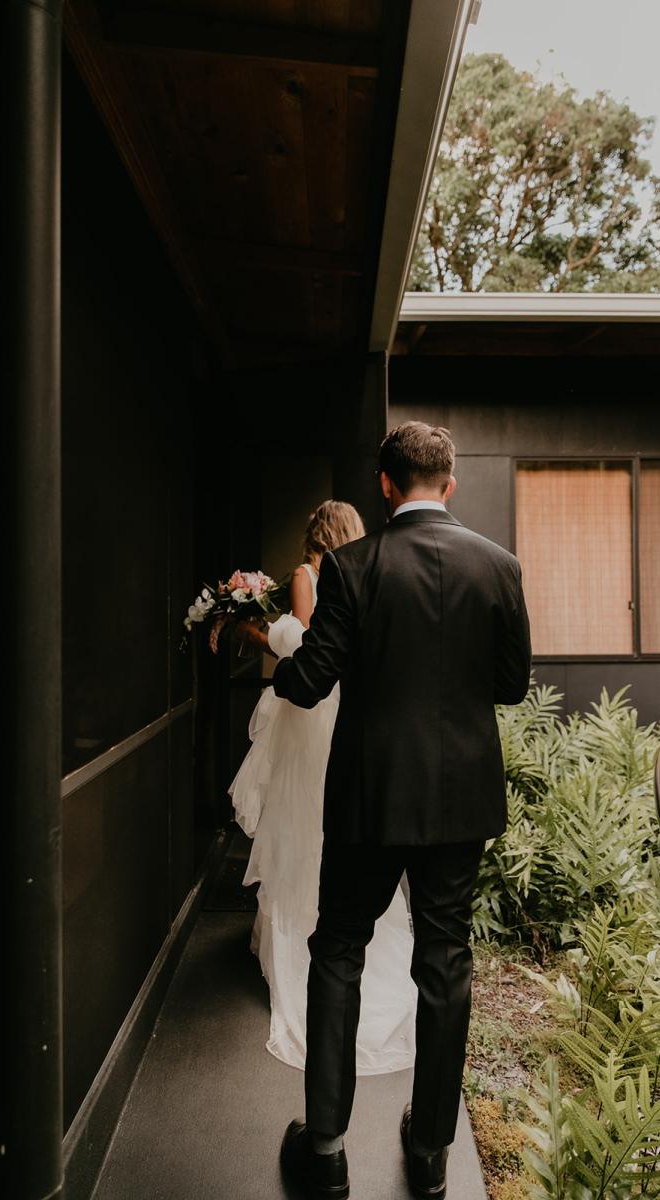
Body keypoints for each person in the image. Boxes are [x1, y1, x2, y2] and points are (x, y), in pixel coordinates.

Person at [272, 423, 532, 1200]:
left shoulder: (352, 567)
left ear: (385, 485)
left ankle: (324, 1150)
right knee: (445, 963)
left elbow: (310, 680)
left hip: (370, 800)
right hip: (460, 804)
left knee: (339, 950)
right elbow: (512, 685)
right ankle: (429, 1154)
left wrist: (279, 667)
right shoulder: (501, 566)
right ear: (447, 485)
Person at [226, 501, 417, 1078]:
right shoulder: (362, 574)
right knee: (309, 821)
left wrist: (255, 635)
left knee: (304, 820)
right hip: (333, 712)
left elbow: (309, 648)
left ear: (318, 533)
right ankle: (303, 926)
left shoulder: (313, 576)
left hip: (311, 712)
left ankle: (305, 935)